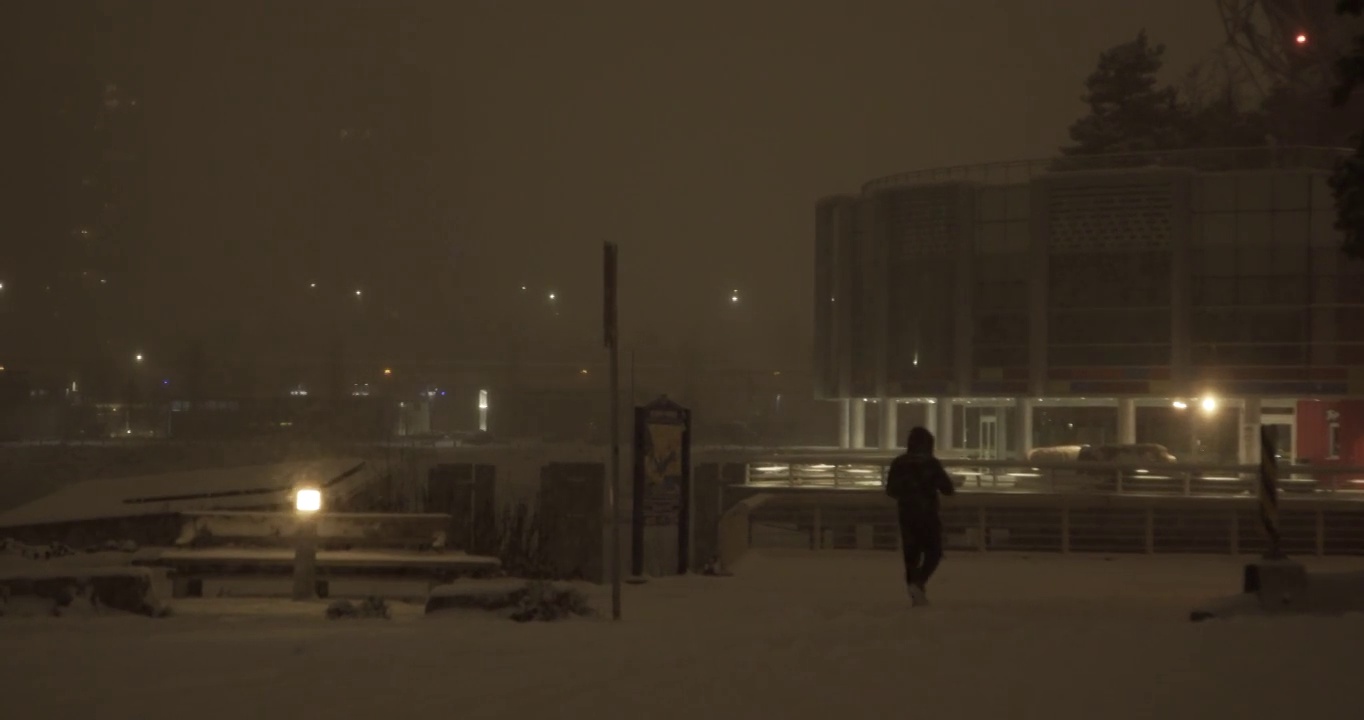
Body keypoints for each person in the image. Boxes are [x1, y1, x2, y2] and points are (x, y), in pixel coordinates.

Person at [884, 426, 957, 606]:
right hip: (928, 514)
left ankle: (915, 593)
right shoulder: (931, 464)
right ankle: (919, 583)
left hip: (906, 514)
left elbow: (891, 490)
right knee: (933, 552)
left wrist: (907, 493)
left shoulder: (899, 463)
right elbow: (947, 489)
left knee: (911, 557)